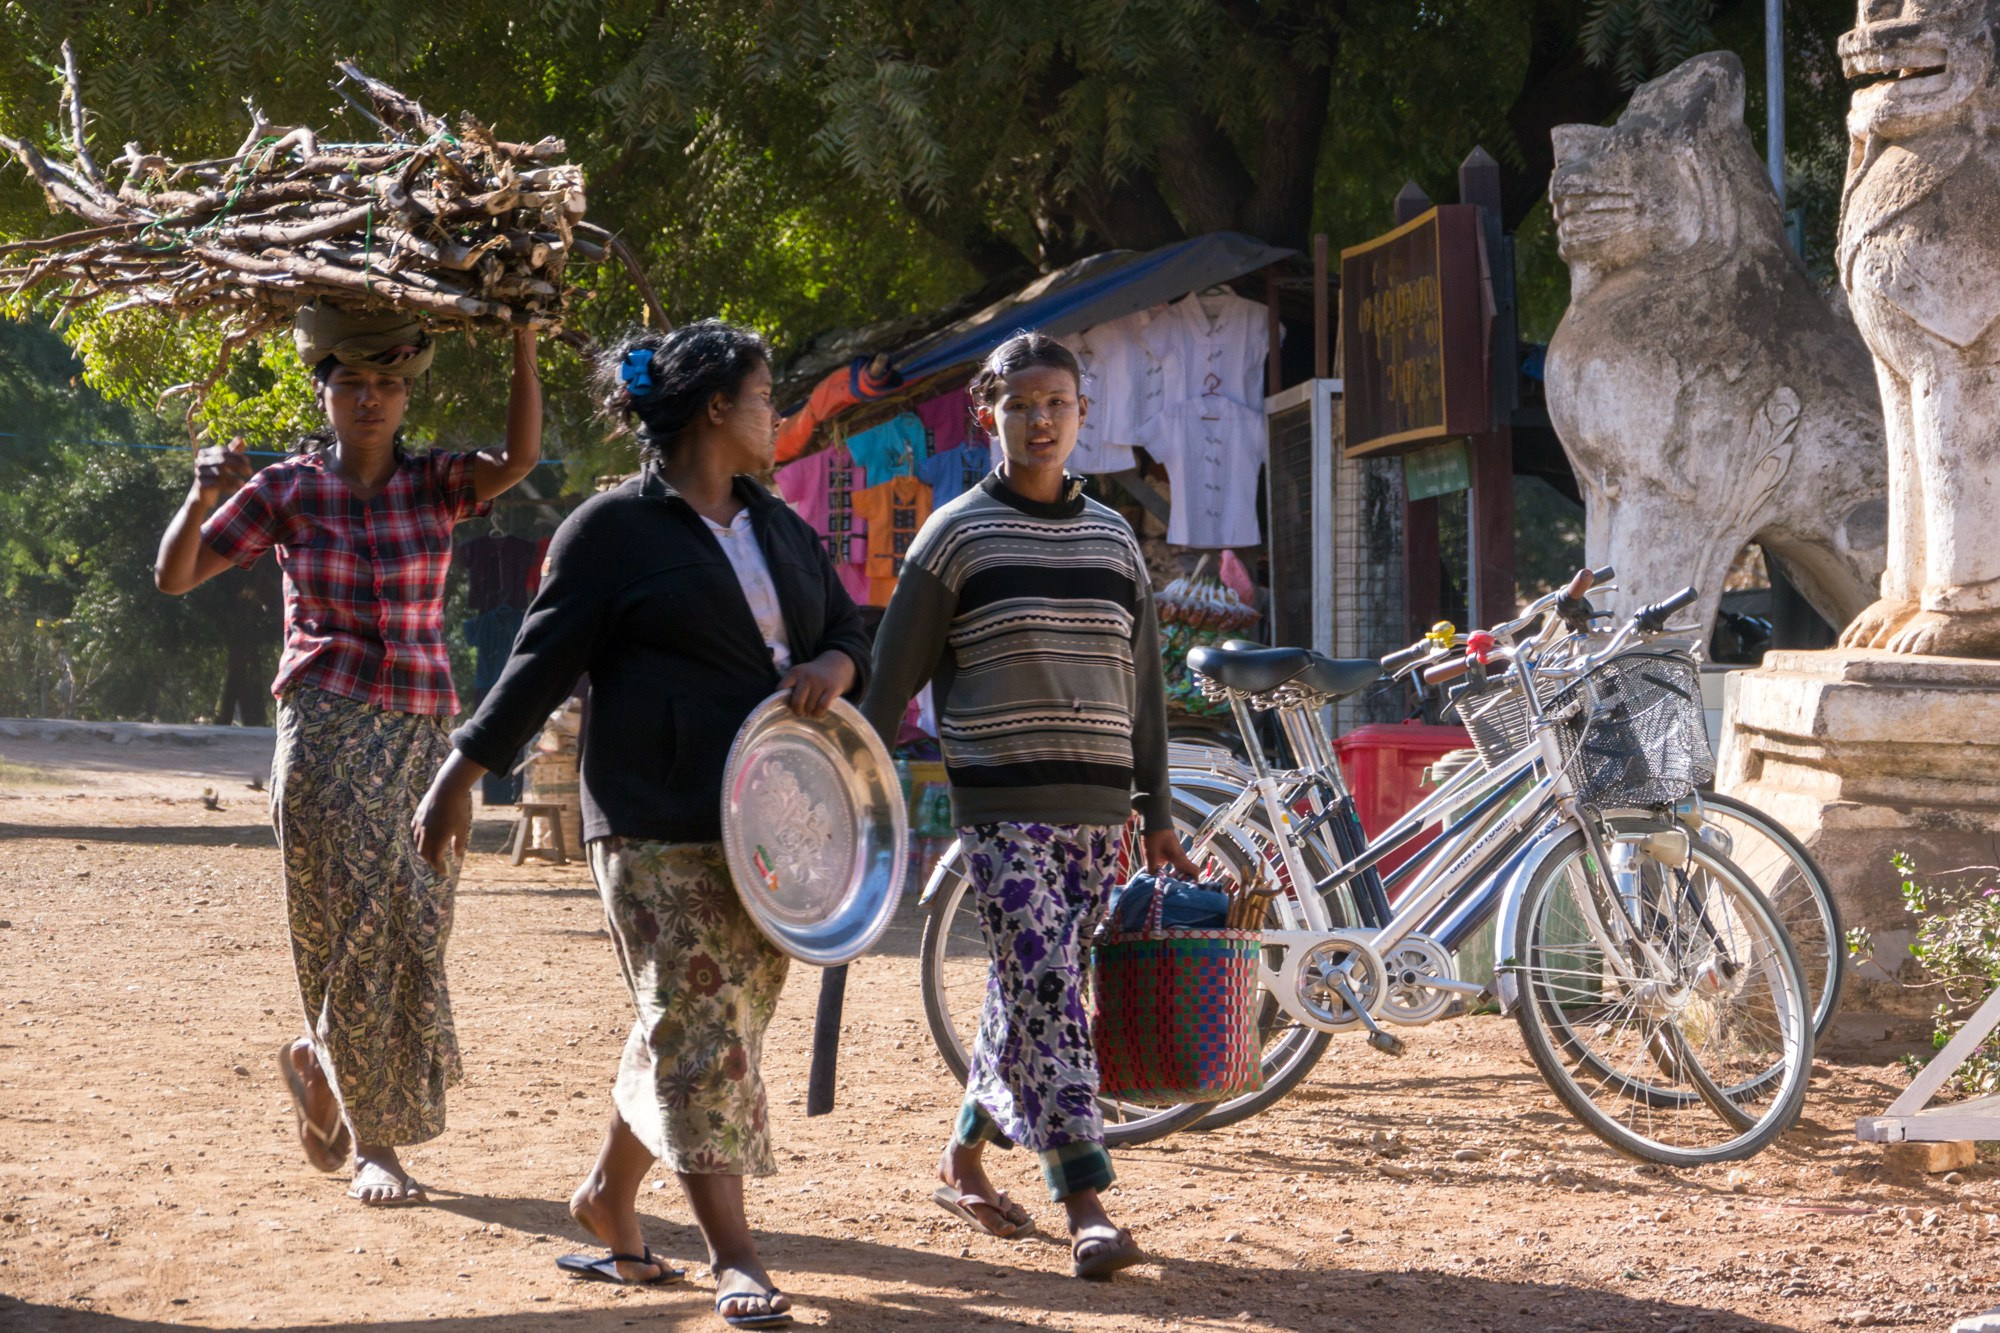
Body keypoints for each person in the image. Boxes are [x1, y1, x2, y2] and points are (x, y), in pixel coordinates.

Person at [412, 320, 867, 1329]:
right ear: (716, 408)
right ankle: (733, 1253)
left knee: (700, 1019)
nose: (776, 416)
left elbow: (844, 627)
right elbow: (536, 663)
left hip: (767, 824)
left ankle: (606, 1195)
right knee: (704, 1025)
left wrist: (834, 669)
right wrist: (460, 770)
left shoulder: (778, 524)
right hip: (652, 817)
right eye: (764, 398)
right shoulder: (610, 531)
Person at [154, 302, 543, 1204]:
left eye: (390, 385)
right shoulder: (287, 489)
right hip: (327, 724)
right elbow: (176, 575)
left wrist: (523, 340)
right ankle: (378, 1144)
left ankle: (319, 1060)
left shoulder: (441, 481)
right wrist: (200, 494)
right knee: (355, 929)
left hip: (420, 733)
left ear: (409, 396)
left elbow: (518, 460)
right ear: (322, 392)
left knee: (416, 925)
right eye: (353, 384)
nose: (372, 401)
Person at [861, 331, 1199, 1279]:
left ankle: (964, 1153)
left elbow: (1143, 688)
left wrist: (1158, 812)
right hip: (1003, 814)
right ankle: (1085, 1199)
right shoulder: (956, 535)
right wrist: (842, 785)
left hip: (1101, 816)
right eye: (1020, 405)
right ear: (988, 416)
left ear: (1082, 414)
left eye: (1057, 402)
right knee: (1051, 987)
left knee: (1028, 993)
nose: (1040, 419)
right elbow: (891, 681)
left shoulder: (1113, 538)